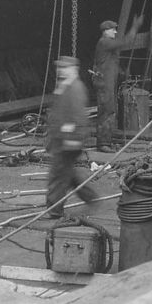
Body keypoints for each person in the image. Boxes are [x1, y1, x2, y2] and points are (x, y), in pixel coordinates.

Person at [45, 56, 98, 218]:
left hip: (68, 141)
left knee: (58, 176)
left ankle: (54, 210)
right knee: (68, 174)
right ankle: (90, 197)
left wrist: (72, 139)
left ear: (74, 69)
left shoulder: (75, 88)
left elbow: (78, 116)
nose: (60, 70)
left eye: (64, 67)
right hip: (62, 140)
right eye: (59, 67)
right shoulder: (65, 86)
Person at [91, 15, 143, 148]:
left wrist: (121, 72)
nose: (115, 32)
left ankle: (107, 141)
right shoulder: (104, 42)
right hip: (104, 84)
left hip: (107, 83)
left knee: (109, 111)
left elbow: (110, 62)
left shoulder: (108, 46)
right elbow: (126, 42)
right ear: (106, 31)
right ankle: (103, 144)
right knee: (106, 112)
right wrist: (135, 27)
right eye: (113, 29)